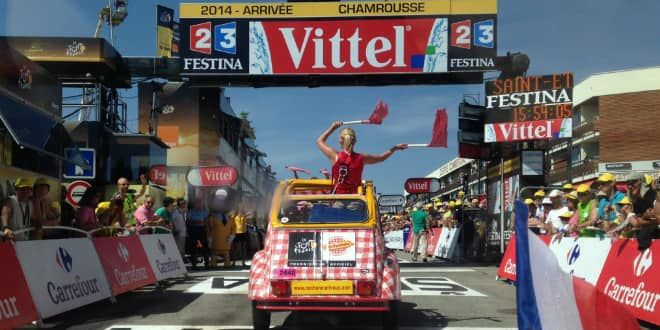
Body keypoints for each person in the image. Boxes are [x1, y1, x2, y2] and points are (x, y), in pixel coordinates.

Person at [316, 121, 407, 194]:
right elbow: (381, 158)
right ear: (355, 141)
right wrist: (394, 148)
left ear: (341, 140)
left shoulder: (335, 155)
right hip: (356, 200)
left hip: (339, 199)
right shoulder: (361, 158)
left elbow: (319, 141)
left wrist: (332, 128)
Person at [626, 173, 658, 250]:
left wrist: (631, 215)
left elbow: (638, 222)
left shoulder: (651, 194)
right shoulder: (637, 200)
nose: (630, 186)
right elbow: (638, 221)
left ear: (640, 182)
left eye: (632, 183)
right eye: (628, 184)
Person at [187, 197, 210, 269]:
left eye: (199, 203)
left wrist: (207, 230)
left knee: (204, 247)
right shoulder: (190, 211)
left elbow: (205, 222)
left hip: (202, 230)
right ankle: (194, 264)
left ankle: (207, 264)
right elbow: (188, 222)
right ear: (194, 204)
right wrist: (198, 222)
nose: (198, 204)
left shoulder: (204, 211)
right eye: (197, 203)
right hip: (193, 230)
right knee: (193, 247)